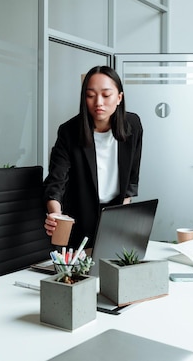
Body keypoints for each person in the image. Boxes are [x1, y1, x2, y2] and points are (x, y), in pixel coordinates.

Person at [43, 65, 143, 249]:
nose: (98, 102)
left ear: (119, 97)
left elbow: (132, 177)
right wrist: (55, 214)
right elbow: (55, 182)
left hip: (116, 215)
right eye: (90, 95)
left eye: (106, 95)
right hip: (79, 216)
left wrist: (123, 211)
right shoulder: (69, 131)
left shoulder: (133, 125)